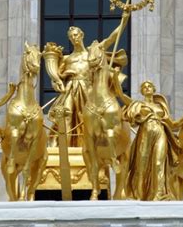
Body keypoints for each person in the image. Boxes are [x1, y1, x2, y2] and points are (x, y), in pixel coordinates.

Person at [44, 11, 130, 147]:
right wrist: (61, 79)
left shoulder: (92, 52)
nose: (74, 38)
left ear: (82, 35)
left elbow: (111, 39)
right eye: (71, 36)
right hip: (70, 91)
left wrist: (124, 21)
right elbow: (57, 79)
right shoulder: (67, 59)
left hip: (88, 90)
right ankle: (63, 151)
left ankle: (91, 147)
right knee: (65, 117)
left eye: (76, 35)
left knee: (89, 120)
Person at [114, 79, 183, 201]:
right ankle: (139, 195)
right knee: (142, 166)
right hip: (145, 135)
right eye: (144, 87)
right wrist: (114, 78)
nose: (147, 88)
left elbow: (173, 125)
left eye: (149, 86)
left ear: (154, 89)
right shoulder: (138, 104)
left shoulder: (160, 107)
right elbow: (121, 95)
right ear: (141, 91)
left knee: (158, 163)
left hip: (160, 134)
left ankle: (158, 194)